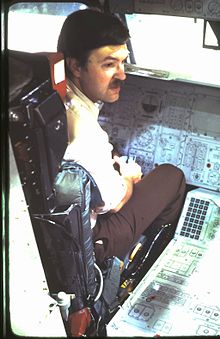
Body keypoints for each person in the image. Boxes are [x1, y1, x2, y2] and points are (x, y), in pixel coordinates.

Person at [57, 8, 186, 264]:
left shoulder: (52, 102)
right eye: (108, 64)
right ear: (75, 66)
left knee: (114, 150)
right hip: (89, 243)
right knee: (172, 176)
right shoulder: (84, 134)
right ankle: (134, 262)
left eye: (123, 61)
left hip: (58, 228)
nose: (122, 75)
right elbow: (114, 202)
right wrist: (128, 178)